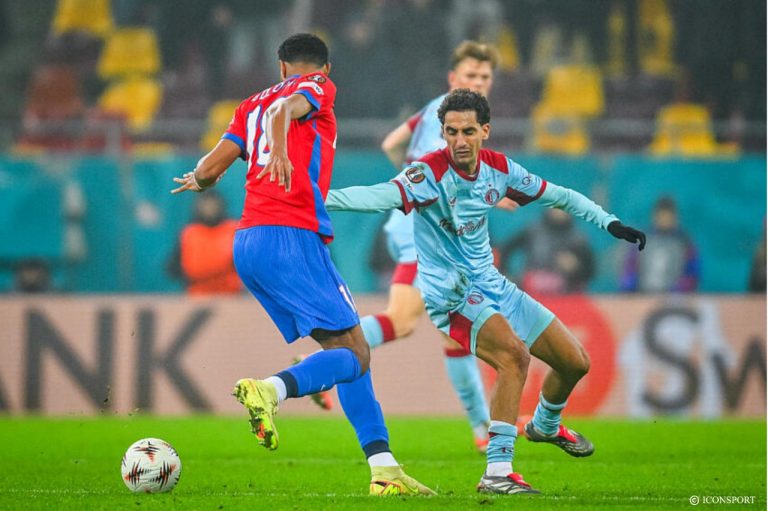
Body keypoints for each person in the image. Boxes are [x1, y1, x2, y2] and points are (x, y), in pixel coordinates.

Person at [325, 89, 646, 494]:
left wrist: (609, 223)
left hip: (493, 285)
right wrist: (315, 200)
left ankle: (545, 425)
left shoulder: (500, 170)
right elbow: (378, 196)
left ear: (485, 131)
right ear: (443, 133)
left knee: (574, 362)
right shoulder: (427, 173)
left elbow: (560, 196)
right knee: (514, 357)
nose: (459, 140)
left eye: (468, 131)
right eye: (451, 132)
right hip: (451, 296)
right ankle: (497, 471)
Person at [171, 33, 434, 496]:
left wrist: (198, 179)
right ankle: (271, 390)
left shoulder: (247, 104)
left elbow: (210, 171)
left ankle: (384, 469)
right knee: (356, 354)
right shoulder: (317, 86)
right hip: (290, 236)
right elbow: (282, 110)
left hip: (248, 241)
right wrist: (279, 149)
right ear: (325, 68)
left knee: (350, 351)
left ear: (280, 65)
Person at [343, 40, 503, 452]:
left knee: (457, 334)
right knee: (403, 320)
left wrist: (409, 180)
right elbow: (446, 167)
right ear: (453, 78)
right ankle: (327, 358)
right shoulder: (451, 119)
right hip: (425, 230)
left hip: (413, 225)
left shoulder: (433, 111)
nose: (478, 82)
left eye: (484, 76)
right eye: (470, 75)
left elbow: (391, 144)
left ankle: (481, 429)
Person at [497, 208, 596, 294]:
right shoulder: (533, 231)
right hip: (533, 291)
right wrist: (506, 275)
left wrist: (576, 268)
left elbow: (590, 270)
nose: (559, 211)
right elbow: (506, 249)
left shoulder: (578, 238)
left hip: (566, 294)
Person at [166, 191, 241, 295]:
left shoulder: (234, 230)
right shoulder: (189, 233)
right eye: (206, 205)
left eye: (213, 205)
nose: (209, 209)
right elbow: (172, 266)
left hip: (230, 295)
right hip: (197, 294)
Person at [620, 196, 698, 293]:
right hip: (643, 295)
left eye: (668, 216)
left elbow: (691, 275)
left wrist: (678, 291)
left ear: (675, 217)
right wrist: (630, 287)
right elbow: (629, 269)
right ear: (654, 216)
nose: (664, 220)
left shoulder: (684, 242)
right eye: (661, 216)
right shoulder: (642, 240)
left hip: (673, 298)